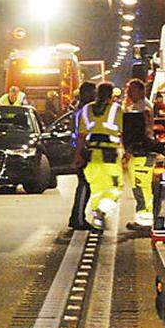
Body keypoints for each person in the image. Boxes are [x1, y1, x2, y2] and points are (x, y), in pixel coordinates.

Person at [75, 82, 124, 230]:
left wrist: (77, 154)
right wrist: (127, 151)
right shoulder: (116, 109)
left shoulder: (86, 109)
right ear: (111, 96)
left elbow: (81, 135)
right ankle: (101, 212)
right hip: (109, 156)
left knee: (97, 188)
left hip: (91, 155)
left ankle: (97, 215)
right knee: (115, 188)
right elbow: (124, 132)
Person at [120, 79, 158, 229]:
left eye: (132, 90)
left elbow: (138, 132)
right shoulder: (139, 106)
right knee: (141, 186)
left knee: (141, 187)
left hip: (141, 152)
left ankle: (145, 220)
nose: (129, 93)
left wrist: (129, 150)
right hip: (142, 151)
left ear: (142, 91)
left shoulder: (142, 108)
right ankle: (144, 217)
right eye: (128, 90)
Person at [67, 81, 96, 230]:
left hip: (81, 150)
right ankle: (78, 219)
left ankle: (77, 217)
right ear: (85, 93)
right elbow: (81, 134)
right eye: (93, 92)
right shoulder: (83, 111)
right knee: (84, 185)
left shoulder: (81, 109)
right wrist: (80, 153)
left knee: (86, 185)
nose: (95, 95)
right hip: (83, 150)